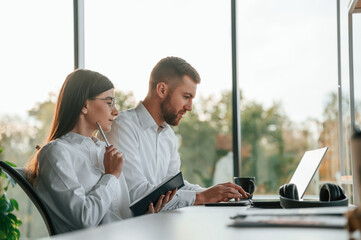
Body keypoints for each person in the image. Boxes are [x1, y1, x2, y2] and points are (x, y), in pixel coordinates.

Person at [25, 69, 174, 234]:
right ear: (84, 105)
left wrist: (143, 217)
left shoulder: (105, 150)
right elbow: (84, 220)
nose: (116, 111)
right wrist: (110, 176)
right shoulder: (55, 153)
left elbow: (116, 216)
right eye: (109, 102)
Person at [105, 57, 249, 211]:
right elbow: (136, 194)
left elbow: (174, 188)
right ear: (162, 90)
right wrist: (202, 197)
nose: (190, 107)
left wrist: (216, 192)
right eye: (186, 97)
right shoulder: (122, 126)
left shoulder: (168, 135)